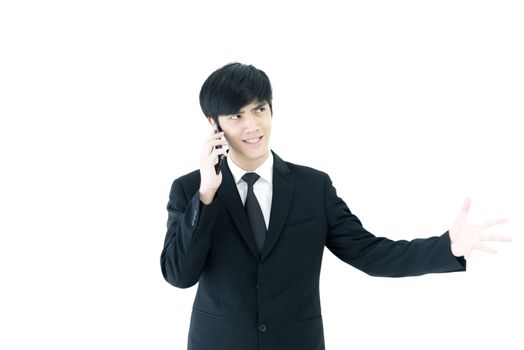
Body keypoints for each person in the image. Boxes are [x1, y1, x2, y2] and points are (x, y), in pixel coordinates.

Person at [160, 62, 511, 350]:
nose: (252, 126)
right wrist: (206, 195)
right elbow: (179, 275)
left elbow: (370, 253)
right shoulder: (190, 189)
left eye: (260, 110)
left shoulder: (313, 187)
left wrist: (448, 246)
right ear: (214, 125)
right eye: (236, 116)